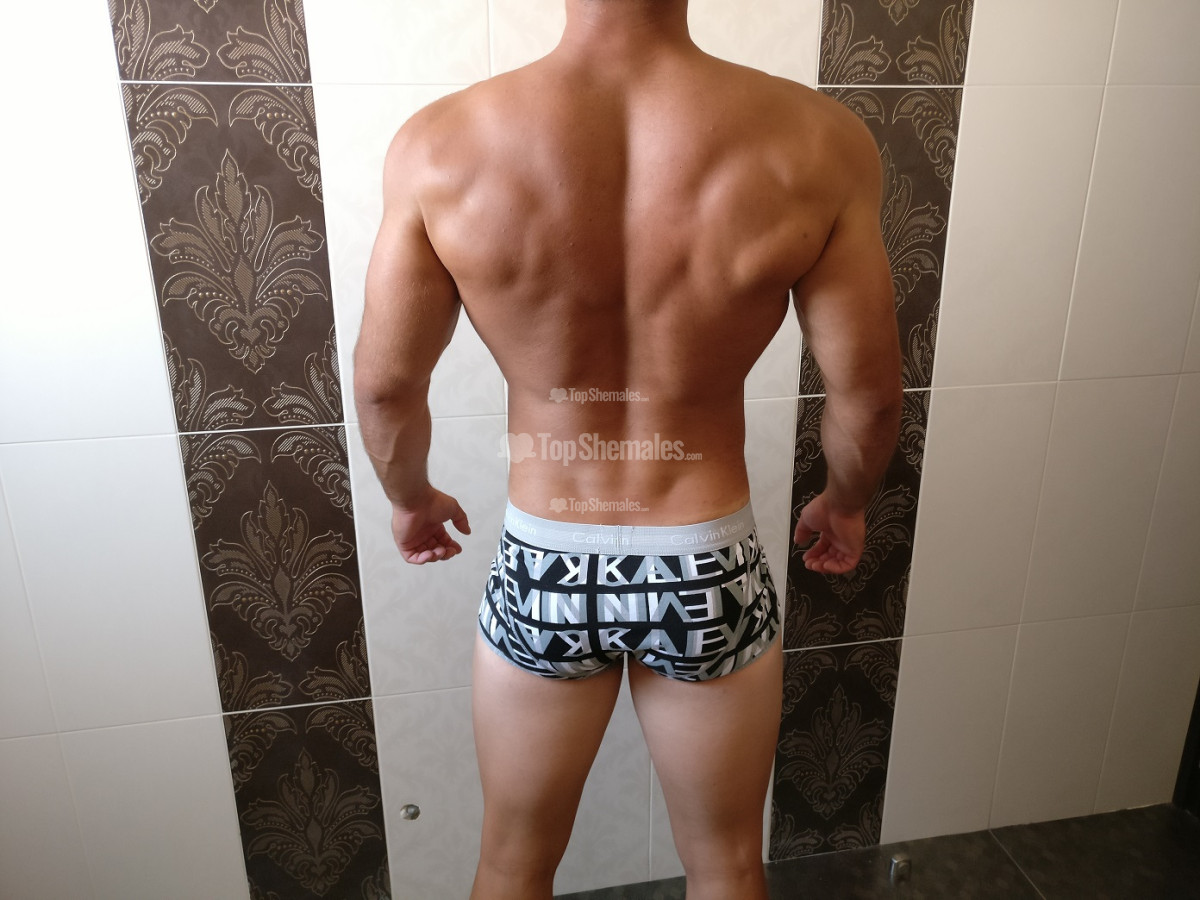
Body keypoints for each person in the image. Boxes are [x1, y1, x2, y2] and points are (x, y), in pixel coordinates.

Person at [353, 0, 901, 896]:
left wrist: (410, 496)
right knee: (725, 862)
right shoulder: (818, 140)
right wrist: (846, 503)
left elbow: (384, 385)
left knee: (512, 860)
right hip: (706, 560)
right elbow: (868, 397)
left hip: (546, 561)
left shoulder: (440, 145)